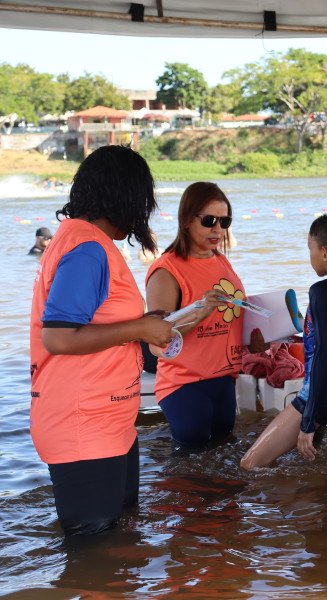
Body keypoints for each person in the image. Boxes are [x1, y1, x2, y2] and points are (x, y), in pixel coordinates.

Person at [30, 145, 175, 536]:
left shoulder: (84, 240)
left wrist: (148, 329)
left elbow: (100, 323)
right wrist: (140, 329)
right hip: (83, 422)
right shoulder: (87, 249)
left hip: (109, 418)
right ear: (124, 197)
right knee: (94, 550)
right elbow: (58, 336)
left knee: (120, 539)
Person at [240, 213, 327, 468]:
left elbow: (324, 354)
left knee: (251, 464)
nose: (311, 256)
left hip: (321, 392)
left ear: (326, 253)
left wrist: (308, 421)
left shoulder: (320, 291)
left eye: (311, 249)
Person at [145, 182, 247, 448]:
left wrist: (257, 340)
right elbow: (157, 341)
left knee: (223, 455)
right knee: (192, 462)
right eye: (210, 220)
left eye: (225, 221)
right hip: (185, 384)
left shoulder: (219, 259)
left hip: (223, 377)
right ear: (187, 220)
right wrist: (200, 313)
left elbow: (231, 316)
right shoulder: (166, 271)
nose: (218, 229)